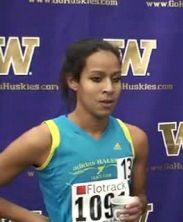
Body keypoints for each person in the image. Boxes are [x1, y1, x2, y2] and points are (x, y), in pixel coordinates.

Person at [0, 39, 148, 222]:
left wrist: (137, 206)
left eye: (116, 79)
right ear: (73, 81)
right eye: (96, 79)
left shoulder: (135, 138)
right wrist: (36, 220)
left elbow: (140, 197)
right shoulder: (45, 139)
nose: (109, 89)